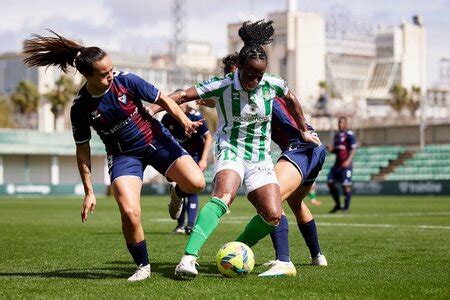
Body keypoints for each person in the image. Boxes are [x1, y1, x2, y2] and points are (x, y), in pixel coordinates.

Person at [22, 30, 206, 281]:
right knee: (129, 211)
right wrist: (89, 191)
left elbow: (163, 99)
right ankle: (142, 266)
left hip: (156, 139)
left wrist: (183, 119)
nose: (111, 75)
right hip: (123, 156)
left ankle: (177, 193)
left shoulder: (127, 80)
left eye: (111, 69)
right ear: (87, 75)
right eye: (104, 73)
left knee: (196, 183)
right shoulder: (81, 107)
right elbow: (82, 149)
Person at [164, 20, 320, 279]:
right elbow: (181, 95)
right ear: (239, 69)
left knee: (273, 214)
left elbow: (291, 98)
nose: (254, 80)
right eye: (250, 75)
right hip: (231, 151)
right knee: (224, 196)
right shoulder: (223, 84)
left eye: (259, 75)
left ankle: (238, 249)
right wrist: (152, 109)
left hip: (260, 158)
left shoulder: (272, 83)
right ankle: (188, 259)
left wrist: (303, 128)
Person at [196, 53, 327, 277]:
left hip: (302, 147)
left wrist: (302, 131)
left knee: (273, 201)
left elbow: (277, 106)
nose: (231, 81)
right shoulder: (251, 92)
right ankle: (318, 256)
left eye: (231, 75)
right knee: (295, 202)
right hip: (315, 149)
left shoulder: (260, 94)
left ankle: (282, 260)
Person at [161, 101, 212, 235]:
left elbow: (208, 137)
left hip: (195, 155)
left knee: (192, 186)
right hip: (178, 155)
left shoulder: (195, 116)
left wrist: (203, 159)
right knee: (178, 187)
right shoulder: (167, 118)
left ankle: (190, 225)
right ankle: (180, 225)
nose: (187, 107)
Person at [327, 116, 357, 213]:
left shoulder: (350, 135)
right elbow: (338, 151)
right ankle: (338, 205)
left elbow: (353, 149)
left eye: (342, 123)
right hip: (337, 165)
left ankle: (346, 208)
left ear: (346, 124)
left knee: (345, 186)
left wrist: (348, 161)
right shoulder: (336, 136)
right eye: (339, 122)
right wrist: (332, 150)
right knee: (330, 182)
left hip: (346, 165)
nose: (340, 124)